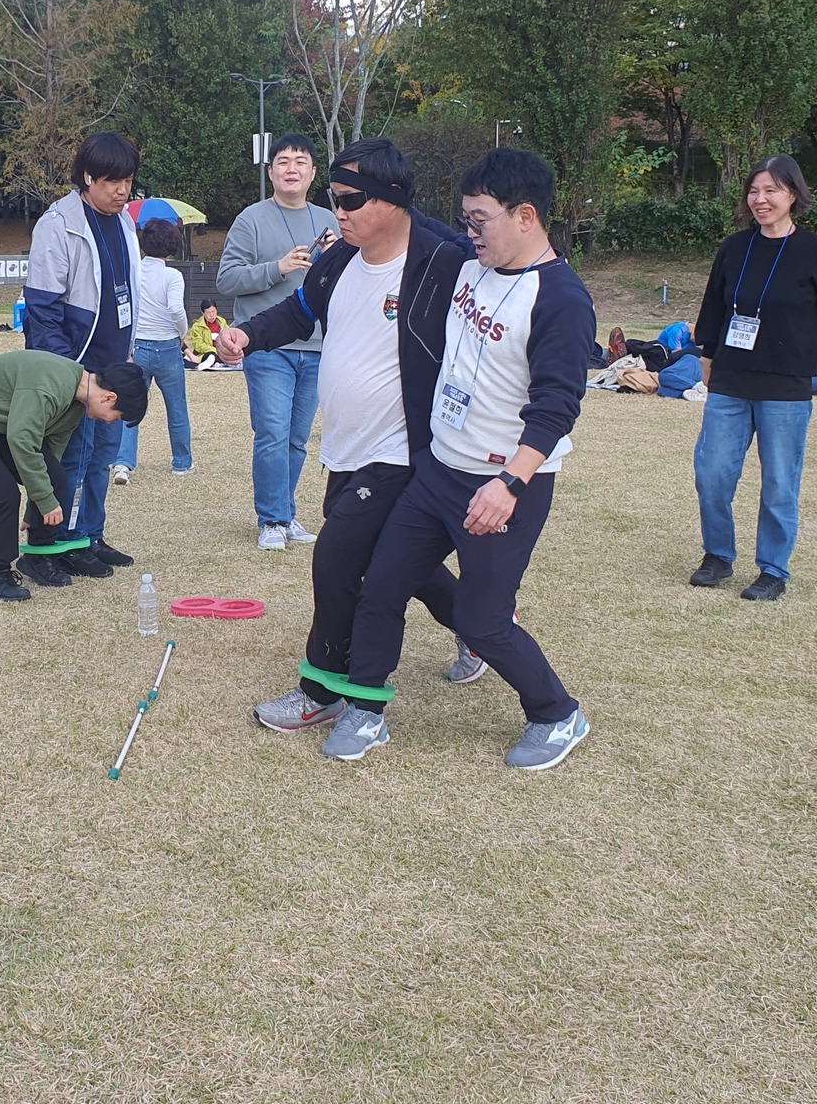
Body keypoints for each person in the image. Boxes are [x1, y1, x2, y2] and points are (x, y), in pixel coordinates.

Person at [322, 149, 595, 771]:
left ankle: (557, 713)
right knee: (383, 584)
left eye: (480, 221)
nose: (468, 234)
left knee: (482, 619)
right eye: (465, 221)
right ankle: (365, 707)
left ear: (525, 216)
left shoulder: (562, 300)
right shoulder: (473, 269)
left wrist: (508, 484)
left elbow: (556, 407)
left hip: (501, 484)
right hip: (439, 471)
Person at [216, 137, 486, 734]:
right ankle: (479, 631)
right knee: (401, 564)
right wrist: (248, 336)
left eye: (350, 199)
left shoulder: (445, 259)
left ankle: (325, 689)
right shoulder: (338, 258)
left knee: (336, 560)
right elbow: (298, 312)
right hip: (345, 446)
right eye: (333, 197)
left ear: (392, 200)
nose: (337, 211)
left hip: (405, 451)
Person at [689, 155, 817, 602]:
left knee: (779, 481)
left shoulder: (815, 251)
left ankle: (773, 569)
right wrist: (707, 356)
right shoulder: (734, 248)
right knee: (712, 473)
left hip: (785, 387)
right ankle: (718, 555)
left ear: (793, 195)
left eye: (771, 191)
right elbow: (715, 307)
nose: (761, 200)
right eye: (754, 191)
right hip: (732, 382)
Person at [0, 352, 147, 601]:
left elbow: (51, 454)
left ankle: (38, 557)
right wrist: (45, 500)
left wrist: (36, 508)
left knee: (56, 477)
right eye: (116, 417)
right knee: (4, 496)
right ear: (109, 398)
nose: (110, 423)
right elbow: (22, 440)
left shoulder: (75, 402)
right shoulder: (49, 386)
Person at [20, 132, 140, 583]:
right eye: (112, 181)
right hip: (74, 370)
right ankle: (50, 545)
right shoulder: (59, 224)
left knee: (101, 458)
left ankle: (89, 535)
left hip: (115, 365)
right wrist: (69, 375)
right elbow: (43, 310)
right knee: (66, 460)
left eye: (127, 180)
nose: (122, 190)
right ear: (87, 176)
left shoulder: (124, 221)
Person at [219, 135, 331, 550]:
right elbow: (226, 279)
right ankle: (271, 519)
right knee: (271, 432)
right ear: (270, 172)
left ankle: (287, 513)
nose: (291, 169)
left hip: (319, 346)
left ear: (313, 172)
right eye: (282, 161)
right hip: (266, 346)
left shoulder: (330, 220)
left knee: (298, 438)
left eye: (300, 162)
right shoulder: (250, 218)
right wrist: (278, 268)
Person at [113, 205, 192, 484]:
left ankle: (122, 463)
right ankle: (182, 462)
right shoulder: (173, 276)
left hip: (138, 347)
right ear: (172, 247)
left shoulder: (134, 272)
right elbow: (175, 310)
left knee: (130, 405)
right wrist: (185, 333)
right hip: (168, 347)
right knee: (177, 407)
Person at [187, 298, 229, 367]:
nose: (212, 315)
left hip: (222, 352)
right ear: (203, 313)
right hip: (207, 353)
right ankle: (213, 362)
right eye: (208, 312)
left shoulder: (222, 322)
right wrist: (215, 350)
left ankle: (218, 363)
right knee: (211, 356)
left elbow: (228, 336)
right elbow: (198, 345)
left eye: (213, 311)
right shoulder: (197, 326)